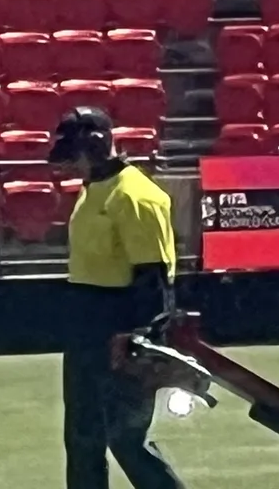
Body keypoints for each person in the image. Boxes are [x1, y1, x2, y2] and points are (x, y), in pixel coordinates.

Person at [51, 105, 187, 489]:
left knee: (127, 438)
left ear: (95, 146)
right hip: (86, 328)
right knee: (83, 437)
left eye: (75, 155)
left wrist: (139, 336)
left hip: (123, 329)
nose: (71, 165)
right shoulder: (93, 189)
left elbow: (154, 275)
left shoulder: (135, 196)